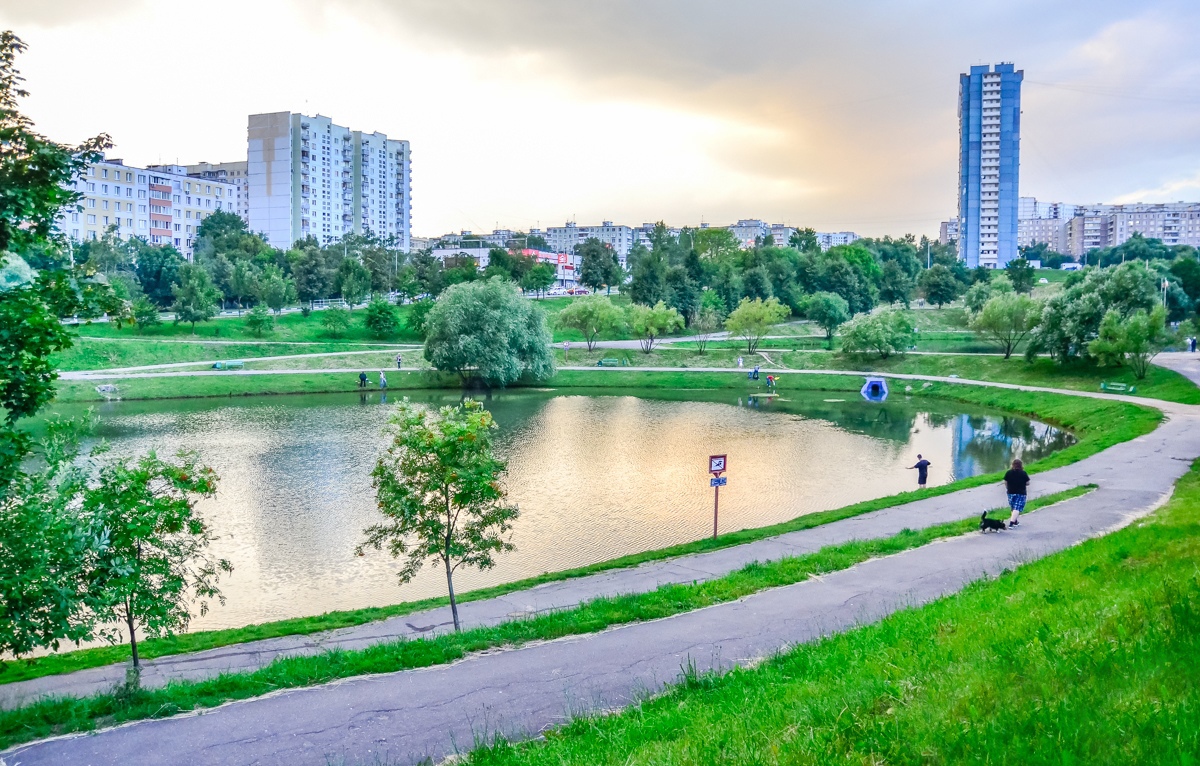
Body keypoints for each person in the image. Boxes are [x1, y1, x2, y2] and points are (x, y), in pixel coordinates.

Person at [1004, 458, 1031, 527]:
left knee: (1013, 507)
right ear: (1021, 465)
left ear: (1012, 465)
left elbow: (1005, 482)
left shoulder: (1008, 472)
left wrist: (1008, 487)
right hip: (1020, 493)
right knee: (1017, 508)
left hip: (1010, 492)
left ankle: (1015, 522)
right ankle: (1011, 523)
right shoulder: (1023, 473)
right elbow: (1028, 483)